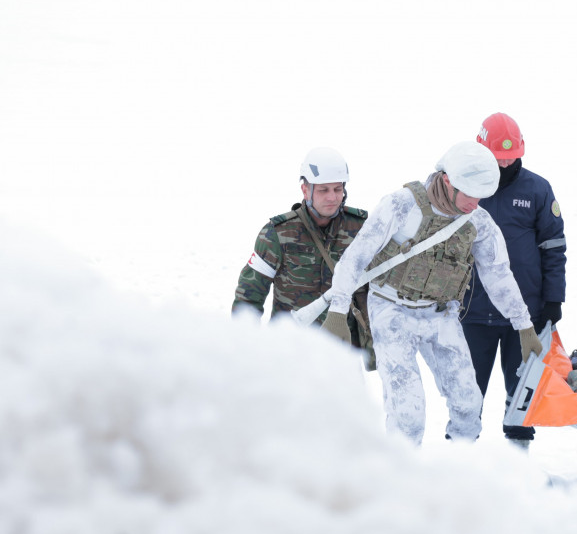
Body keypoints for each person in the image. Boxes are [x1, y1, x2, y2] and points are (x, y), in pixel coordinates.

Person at [318, 141, 542, 446]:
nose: (475, 203)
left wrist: (524, 325)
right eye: (469, 194)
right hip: (391, 309)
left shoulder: (477, 221)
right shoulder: (402, 206)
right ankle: (402, 481)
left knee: (468, 405)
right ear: (448, 181)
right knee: (408, 414)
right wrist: (337, 310)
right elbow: (356, 258)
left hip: (441, 313)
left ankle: (456, 475)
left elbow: (498, 275)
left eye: (481, 196)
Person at [461, 112, 567, 447]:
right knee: (465, 394)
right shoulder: (462, 189)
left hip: (523, 316)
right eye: (497, 160)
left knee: (522, 393)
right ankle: (459, 463)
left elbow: (554, 248)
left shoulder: (538, 189)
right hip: (471, 313)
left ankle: (518, 462)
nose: (505, 166)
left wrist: (553, 300)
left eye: (511, 159)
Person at [232, 147, 373, 365]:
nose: (333, 197)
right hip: (290, 350)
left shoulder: (362, 229)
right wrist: (243, 346)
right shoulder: (277, 233)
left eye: (338, 189)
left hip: (342, 351)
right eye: (323, 190)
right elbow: (249, 295)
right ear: (305, 190)